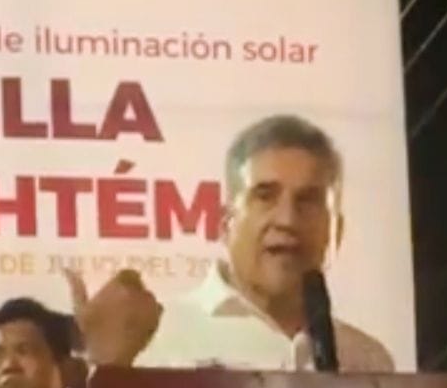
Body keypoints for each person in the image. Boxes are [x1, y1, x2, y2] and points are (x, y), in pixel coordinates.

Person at [64, 113, 395, 372]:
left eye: (308, 201)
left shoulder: (367, 359)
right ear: (224, 224)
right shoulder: (154, 342)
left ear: (336, 231)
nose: (288, 219)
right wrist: (100, 368)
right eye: (265, 196)